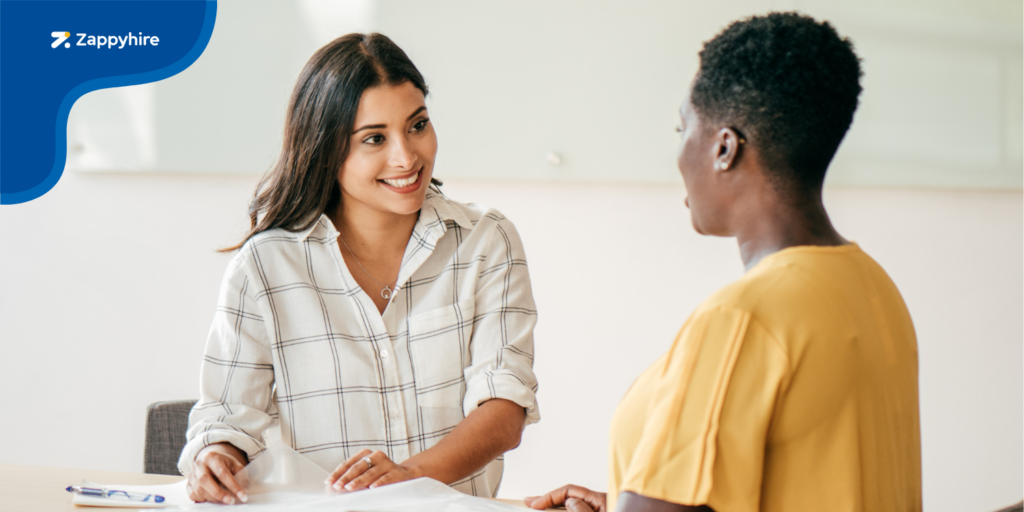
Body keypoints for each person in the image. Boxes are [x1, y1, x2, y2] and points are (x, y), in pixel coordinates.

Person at [526, 12, 921, 512]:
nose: (678, 152)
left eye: (682, 127)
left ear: (724, 148)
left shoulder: (742, 318)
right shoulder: (874, 290)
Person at [177, 33, 540, 504]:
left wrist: (407, 476)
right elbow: (225, 415)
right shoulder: (266, 267)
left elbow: (504, 408)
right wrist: (216, 456)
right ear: (326, 149)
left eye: (417, 125)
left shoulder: (485, 241)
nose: (406, 157)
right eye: (374, 138)